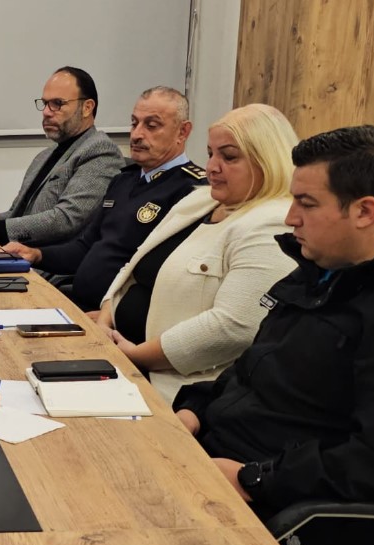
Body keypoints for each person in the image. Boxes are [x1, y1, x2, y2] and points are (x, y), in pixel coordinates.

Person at [173, 125, 374, 520]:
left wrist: (254, 479)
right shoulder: (317, 271)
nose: (291, 218)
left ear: (364, 211)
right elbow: (251, 371)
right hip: (211, 454)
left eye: (306, 204)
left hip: (268, 500)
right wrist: (194, 410)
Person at [96, 104, 300, 402]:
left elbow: (233, 328)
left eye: (228, 157)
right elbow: (134, 263)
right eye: (210, 154)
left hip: (173, 384)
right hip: (119, 351)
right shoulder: (198, 200)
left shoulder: (273, 221)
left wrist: (136, 355)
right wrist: (105, 319)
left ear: (268, 160)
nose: (212, 167)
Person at [3, 86, 207, 310]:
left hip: (118, 319)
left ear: (183, 132)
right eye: (134, 123)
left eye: (151, 126)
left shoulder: (192, 190)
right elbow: (85, 247)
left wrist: (111, 317)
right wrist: (36, 254)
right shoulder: (124, 180)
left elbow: (163, 278)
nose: (137, 134)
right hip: (79, 305)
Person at [0, 66, 124, 246]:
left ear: (87, 107)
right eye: (45, 103)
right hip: (17, 252)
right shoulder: (45, 155)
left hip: (49, 260)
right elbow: (18, 215)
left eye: (57, 103)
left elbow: (67, 219)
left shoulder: (100, 151)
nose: (46, 112)